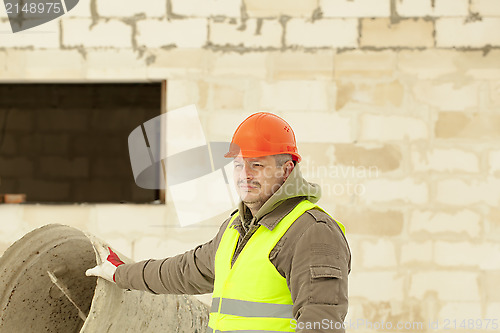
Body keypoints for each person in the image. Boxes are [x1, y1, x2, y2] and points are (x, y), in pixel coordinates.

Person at [86, 112, 351, 332]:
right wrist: (121, 273)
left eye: (256, 165)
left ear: (287, 170)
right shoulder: (237, 227)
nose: (244, 175)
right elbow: (182, 271)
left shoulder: (311, 232)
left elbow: (320, 324)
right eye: (238, 165)